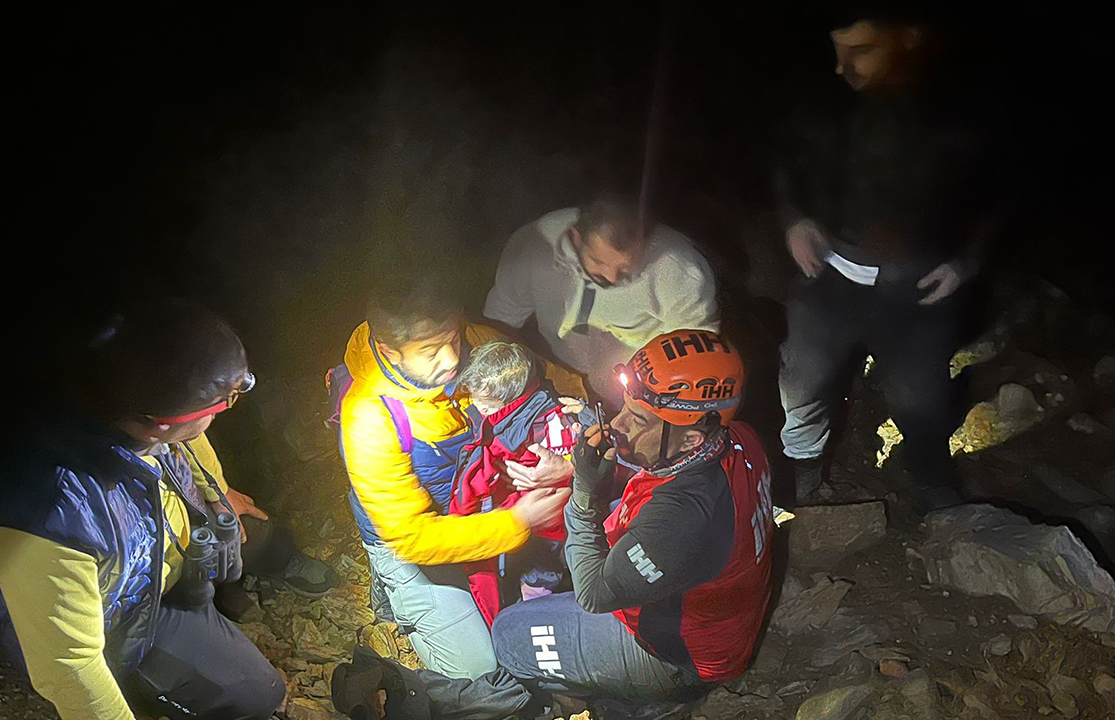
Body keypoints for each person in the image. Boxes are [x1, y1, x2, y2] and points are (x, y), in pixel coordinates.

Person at [334, 329, 775, 718]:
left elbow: (596, 592)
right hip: (718, 619)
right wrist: (571, 468)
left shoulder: (682, 518)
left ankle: (628, 693)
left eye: (637, 419)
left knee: (508, 635)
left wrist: (581, 493)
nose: (618, 423)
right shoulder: (738, 438)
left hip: (678, 656)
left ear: (692, 436)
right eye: (624, 407)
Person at [0, 300, 293, 720]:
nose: (229, 405)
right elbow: (71, 666)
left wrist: (218, 492)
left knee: (264, 538)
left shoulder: (136, 401)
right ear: (159, 424)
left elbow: (188, 437)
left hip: (169, 551)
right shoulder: (49, 517)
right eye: (225, 401)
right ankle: (150, 683)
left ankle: (212, 602)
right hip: (128, 614)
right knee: (260, 696)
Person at [774, 8, 1003, 513]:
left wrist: (968, 261)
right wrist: (795, 219)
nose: (842, 67)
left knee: (920, 399)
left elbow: (997, 197)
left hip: (920, 292)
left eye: (860, 51)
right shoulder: (829, 103)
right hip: (832, 275)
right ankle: (803, 473)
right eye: (838, 52)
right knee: (802, 380)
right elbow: (787, 163)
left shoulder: (961, 111)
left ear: (908, 40)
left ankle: (934, 487)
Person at [332, 271, 581, 680]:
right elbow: (413, 536)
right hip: (419, 539)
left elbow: (563, 393)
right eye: (430, 351)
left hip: (485, 504)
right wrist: (519, 522)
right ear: (389, 351)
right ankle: (392, 583)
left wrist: (567, 460)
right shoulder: (369, 419)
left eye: (452, 339)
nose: (452, 360)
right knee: (481, 671)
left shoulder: (479, 344)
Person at [484, 195, 719, 401]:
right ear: (577, 239)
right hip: (555, 374)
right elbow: (500, 319)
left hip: (640, 388)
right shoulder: (534, 246)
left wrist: (651, 405)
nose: (611, 277)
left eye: (625, 267)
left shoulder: (681, 270)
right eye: (598, 262)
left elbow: (698, 356)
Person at [450, 340, 595, 625]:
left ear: (511, 399)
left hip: (543, 527)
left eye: (486, 404)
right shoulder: (537, 407)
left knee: (538, 578)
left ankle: (537, 619)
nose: (478, 407)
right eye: (475, 399)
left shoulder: (534, 431)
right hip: (528, 517)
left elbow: (473, 486)